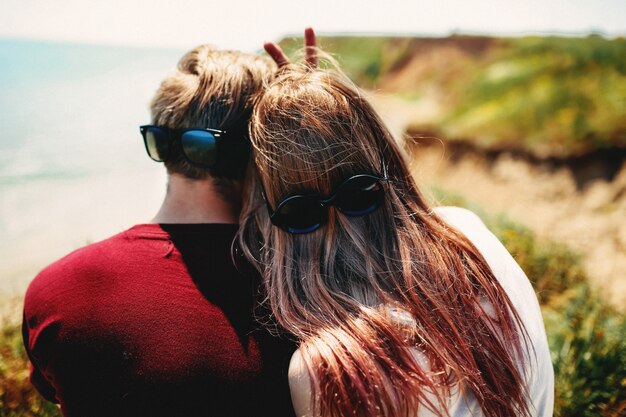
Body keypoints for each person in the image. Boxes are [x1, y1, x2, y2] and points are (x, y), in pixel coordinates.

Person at [237, 55, 554, 416]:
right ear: (386, 156)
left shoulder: (331, 369)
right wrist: (320, 105)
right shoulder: (469, 236)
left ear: (273, 215)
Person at [21, 39, 317, 416]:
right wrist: (314, 145)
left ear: (160, 142)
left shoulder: (57, 290)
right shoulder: (307, 290)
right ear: (260, 150)